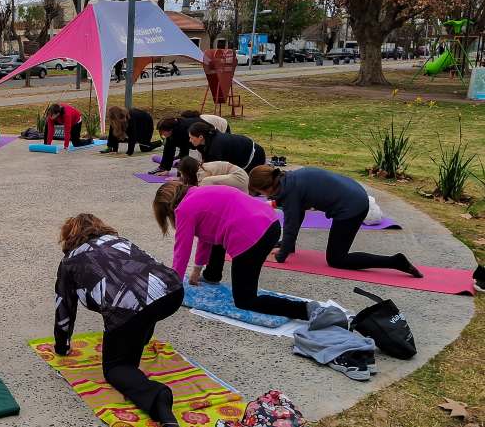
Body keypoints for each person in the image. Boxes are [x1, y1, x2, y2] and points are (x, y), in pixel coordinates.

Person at [54, 213, 184, 427]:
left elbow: (64, 307)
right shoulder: (121, 241)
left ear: (68, 237)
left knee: (116, 368)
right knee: (145, 308)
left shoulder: (70, 261)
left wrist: (61, 346)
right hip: (173, 292)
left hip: (129, 311)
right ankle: (140, 341)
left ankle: (156, 396)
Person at [153, 182, 312, 320]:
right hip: (271, 225)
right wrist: (197, 269)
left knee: (245, 300)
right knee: (219, 241)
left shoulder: (183, 209)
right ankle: (212, 276)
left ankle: (307, 310)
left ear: (168, 208)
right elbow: (205, 237)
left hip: (252, 238)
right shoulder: (197, 193)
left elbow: (182, 250)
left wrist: (174, 288)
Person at [249, 166, 423, 276]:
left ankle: (395, 261)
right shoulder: (289, 180)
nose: (262, 196)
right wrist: (289, 245)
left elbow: (290, 225)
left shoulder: (290, 193)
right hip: (354, 194)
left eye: (260, 192)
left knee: (336, 259)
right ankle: (395, 261)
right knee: (336, 254)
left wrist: (281, 255)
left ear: (269, 187)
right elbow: (297, 214)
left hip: (351, 207)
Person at [188, 122, 266, 173]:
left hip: (255, 156)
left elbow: (216, 169)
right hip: (245, 153)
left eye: (191, 138)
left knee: (250, 188)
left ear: (201, 137)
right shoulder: (209, 139)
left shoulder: (216, 145)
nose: (190, 140)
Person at [176, 156, 249, 193]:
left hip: (239, 178)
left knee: (205, 184)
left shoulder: (202, 173)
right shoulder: (201, 169)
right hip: (239, 177)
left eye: (182, 173)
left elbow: (200, 191)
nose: (182, 176)